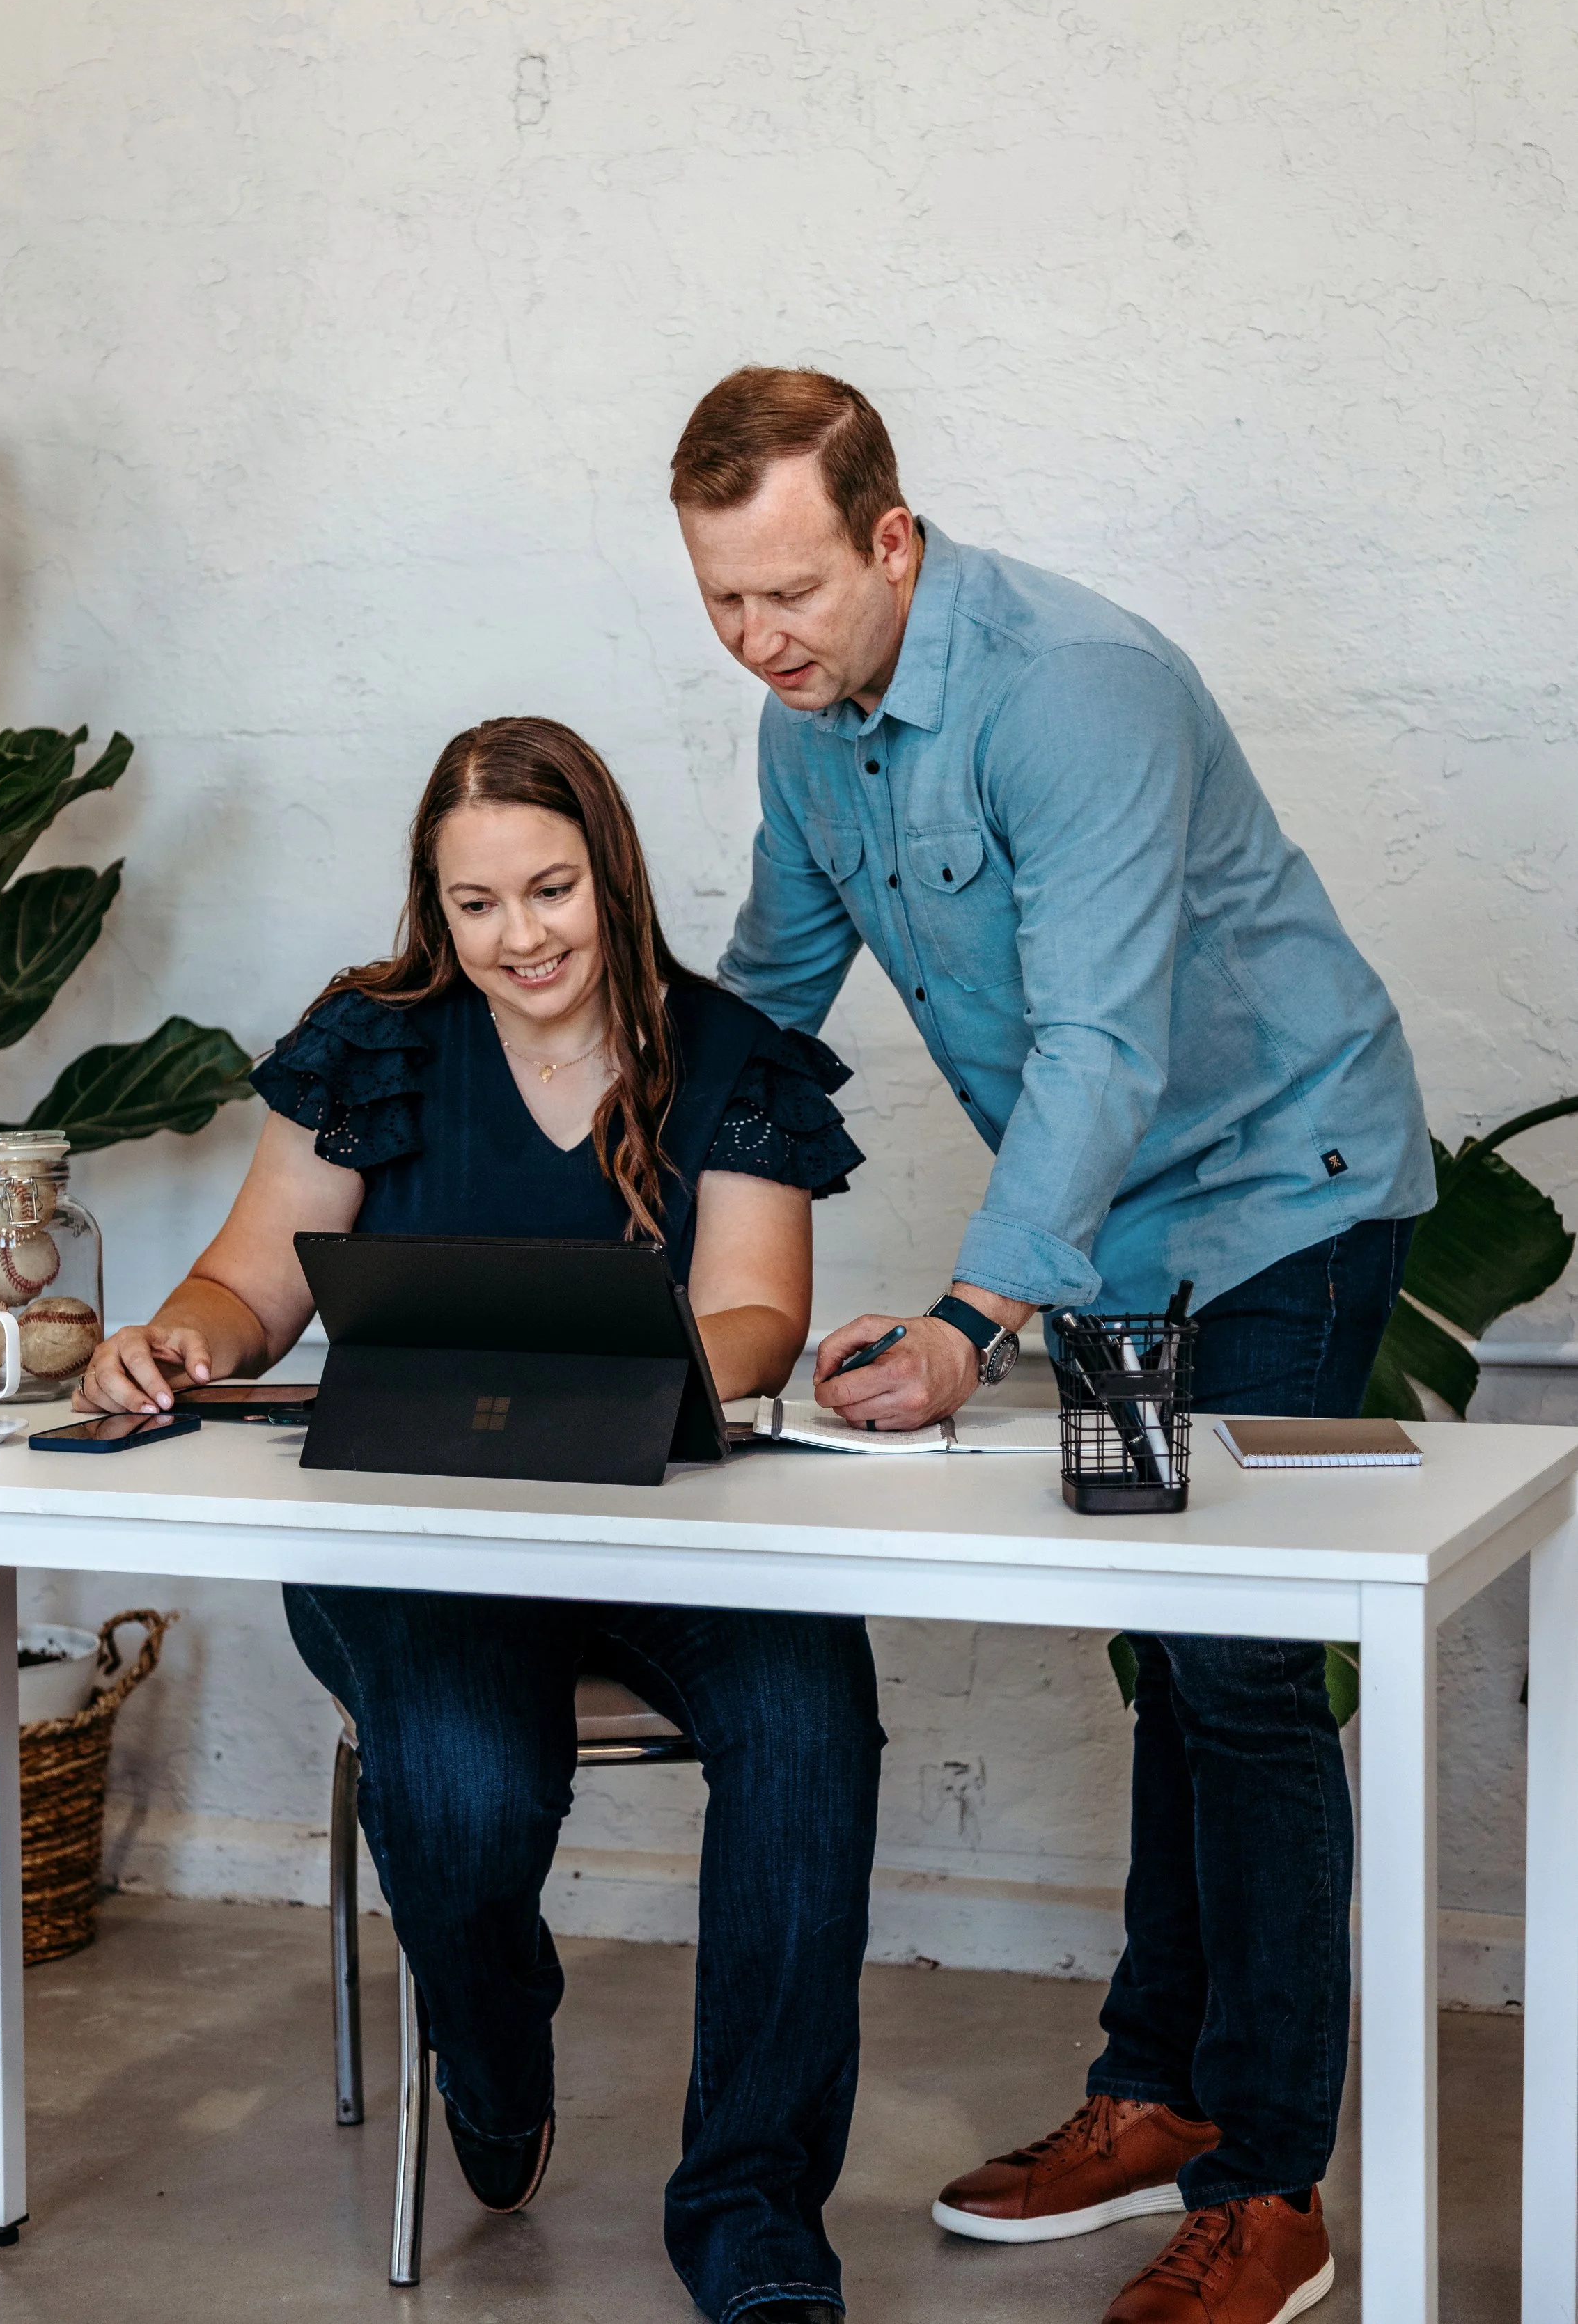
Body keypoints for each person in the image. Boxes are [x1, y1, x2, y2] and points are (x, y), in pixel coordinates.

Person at [670, 368, 1435, 2324]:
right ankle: (1157, 2090)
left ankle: (1275, 2183)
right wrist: (619, 1183)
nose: (761, 641)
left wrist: (959, 1323)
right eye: (721, 602)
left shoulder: (1074, 686)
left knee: (1244, 1673)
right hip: (1110, 1236)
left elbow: (1098, 1046)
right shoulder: (804, 730)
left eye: (792, 592)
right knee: (1170, 1665)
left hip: (1284, 1200)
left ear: (891, 536)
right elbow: (767, 993)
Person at [79, 715, 882, 2324]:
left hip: (667, 1526)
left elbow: (749, 1319)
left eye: (552, 891)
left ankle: (750, 2214)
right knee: (462, 1783)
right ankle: (494, 2041)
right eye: (477, 904)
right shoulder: (368, 1044)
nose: (522, 939)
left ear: (612, 874)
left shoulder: (733, 1056)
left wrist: (615, 1384)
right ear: (433, 909)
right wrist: (180, 1335)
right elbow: (249, 1279)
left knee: (811, 1717)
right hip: (405, 1541)